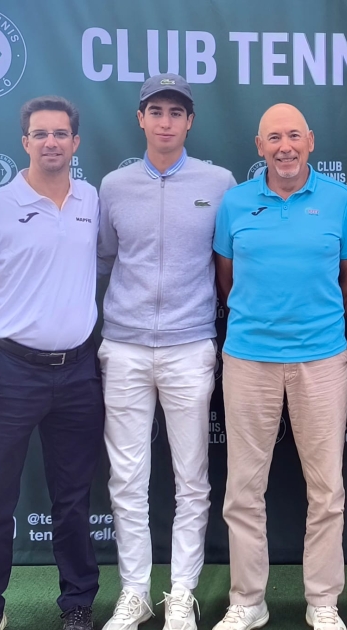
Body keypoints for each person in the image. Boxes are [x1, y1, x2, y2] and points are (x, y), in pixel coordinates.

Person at [211, 103, 347, 630]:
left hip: (321, 358)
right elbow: (226, 279)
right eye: (274, 137)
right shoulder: (233, 203)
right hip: (249, 359)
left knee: (326, 489)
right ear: (259, 147)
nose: (285, 146)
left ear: (311, 141)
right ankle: (247, 602)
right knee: (243, 489)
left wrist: (313, 322)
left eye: (294, 136)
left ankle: (323, 602)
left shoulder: (339, 199)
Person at [0, 96, 102, 630]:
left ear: (76, 142)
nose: (51, 142)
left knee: (73, 498)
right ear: (25, 142)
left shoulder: (90, 200)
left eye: (61, 133)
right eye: (40, 134)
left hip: (79, 371)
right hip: (9, 372)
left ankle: (78, 602)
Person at [96, 73, 236, 630]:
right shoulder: (113, 185)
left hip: (189, 345)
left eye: (176, 113)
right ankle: (134, 592)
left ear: (190, 122)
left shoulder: (219, 182)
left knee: (191, 478)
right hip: (125, 346)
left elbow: (225, 259)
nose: (165, 122)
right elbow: (108, 259)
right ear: (140, 119)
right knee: (127, 479)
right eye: (155, 111)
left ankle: (180, 593)